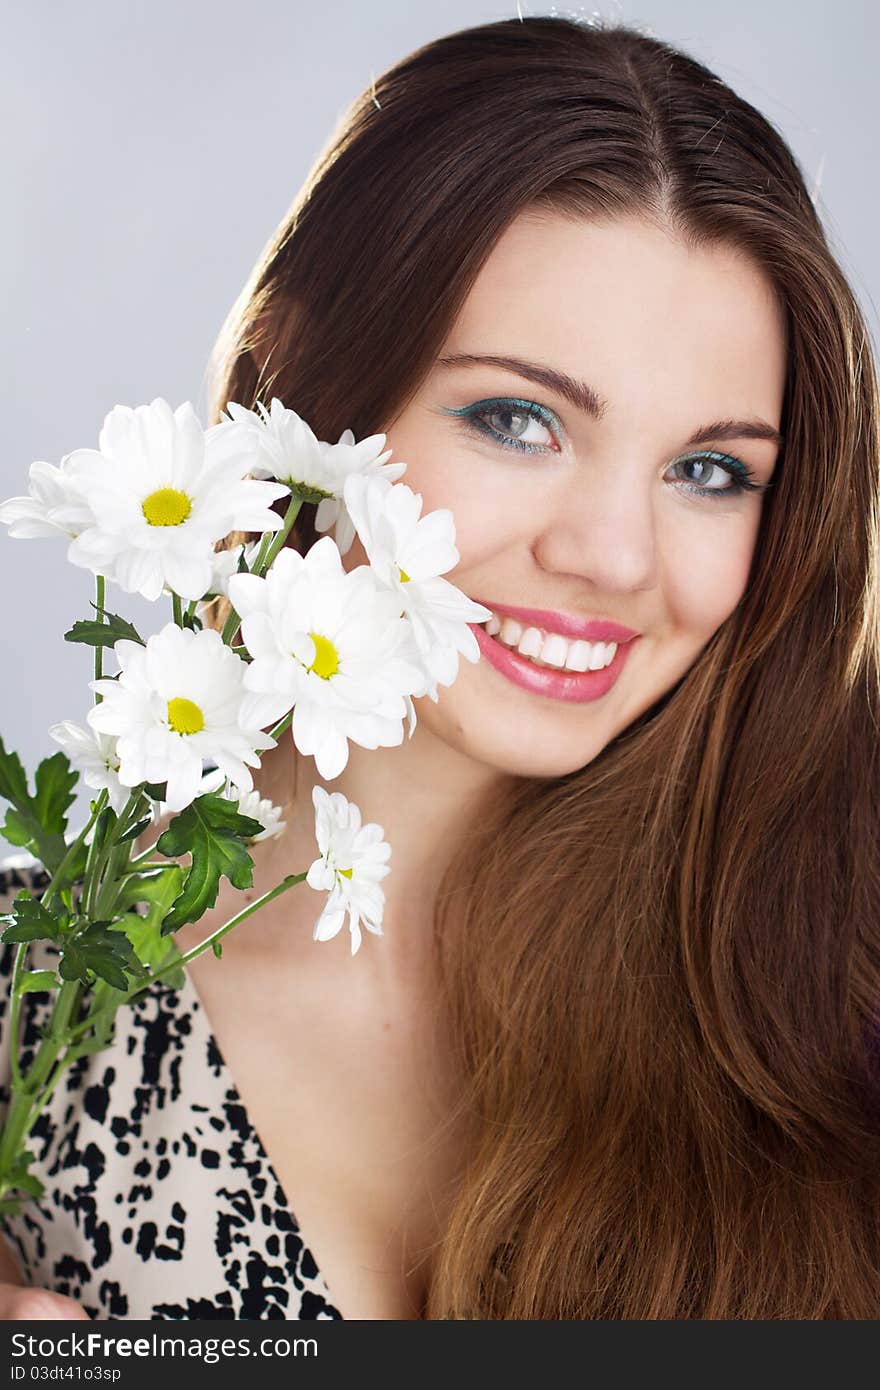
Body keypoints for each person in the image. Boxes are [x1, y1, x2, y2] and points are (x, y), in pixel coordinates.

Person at [1, 12, 879, 1320]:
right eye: (519, 419)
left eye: (710, 471)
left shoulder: (831, 977)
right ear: (293, 388)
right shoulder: (36, 990)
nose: (616, 557)